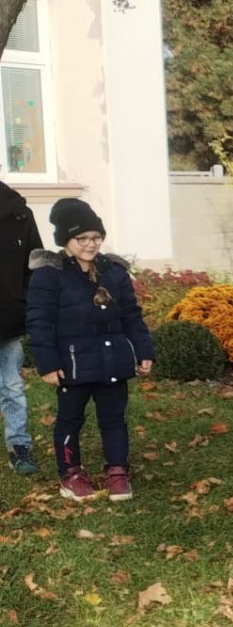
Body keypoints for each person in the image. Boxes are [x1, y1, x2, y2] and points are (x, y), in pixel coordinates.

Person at [25, 198, 154, 501]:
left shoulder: (114, 272)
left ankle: (118, 471)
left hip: (113, 362)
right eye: (81, 238)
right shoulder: (49, 274)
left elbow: (131, 315)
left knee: (114, 418)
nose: (90, 244)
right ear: (65, 240)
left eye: (96, 237)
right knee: (70, 419)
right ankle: (71, 473)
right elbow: (39, 321)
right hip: (73, 364)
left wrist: (143, 350)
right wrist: (47, 363)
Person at [1, 181, 43, 475]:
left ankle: (18, 444)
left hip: (7, 316)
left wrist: (22, 300)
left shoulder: (19, 213)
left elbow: (35, 263)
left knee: (11, 386)